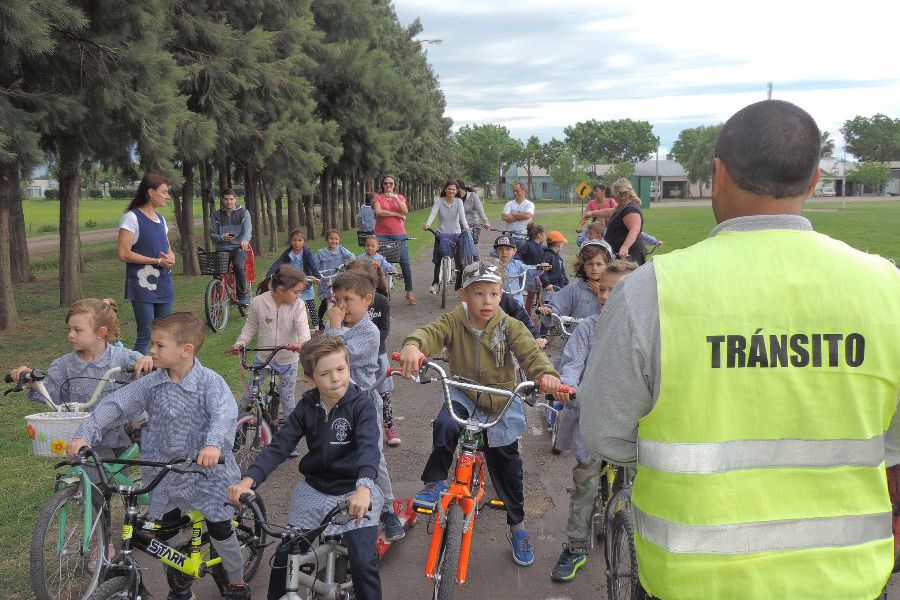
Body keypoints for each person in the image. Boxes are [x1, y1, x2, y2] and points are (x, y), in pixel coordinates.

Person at [579, 99, 900, 600]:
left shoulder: (651, 291)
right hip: (844, 580)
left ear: (718, 173)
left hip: (693, 580)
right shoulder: (887, 287)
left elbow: (603, 433)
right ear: (815, 180)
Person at [68, 312, 250, 600]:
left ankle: (237, 581)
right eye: (152, 344)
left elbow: (224, 415)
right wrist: (86, 432)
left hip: (208, 472)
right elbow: (117, 403)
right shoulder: (152, 383)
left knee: (219, 525)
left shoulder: (210, 383)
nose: (151, 351)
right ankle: (181, 580)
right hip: (164, 474)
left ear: (186, 350)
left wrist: (213, 445)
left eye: (159, 345)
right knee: (162, 533)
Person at [399, 261, 561, 567]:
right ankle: (435, 482)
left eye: (493, 293)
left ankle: (517, 526)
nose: (486, 301)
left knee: (507, 464)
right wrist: (413, 346)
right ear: (463, 294)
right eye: (478, 294)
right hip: (462, 390)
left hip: (500, 398)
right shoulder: (454, 320)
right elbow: (430, 333)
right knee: (445, 424)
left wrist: (546, 375)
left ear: (501, 294)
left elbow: (530, 353)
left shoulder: (509, 326)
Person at [228, 335, 383, 600]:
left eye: (341, 369)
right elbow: (279, 446)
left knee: (363, 560)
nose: (336, 378)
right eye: (325, 373)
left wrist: (364, 488)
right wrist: (248, 480)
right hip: (315, 490)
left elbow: (370, 449)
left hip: (355, 489)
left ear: (348, 366)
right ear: (311, 379)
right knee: (285, 555)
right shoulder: (307, 406)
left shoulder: (362, 405)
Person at [548, 260, 636, 582]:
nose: (606, 296)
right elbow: (572, 362)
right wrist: (567, 386)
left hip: (631, 423)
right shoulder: (588, 328)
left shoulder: (643, 332)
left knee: (643, 483)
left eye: (616, 289)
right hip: (594, 419)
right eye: (603, 288)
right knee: (585, 483)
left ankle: (643, 543)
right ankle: (575, 545)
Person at [9, 298, 154, 452]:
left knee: (113, 473)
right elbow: (53, 396)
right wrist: (32, 381)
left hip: (121, 436)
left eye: (78, 330)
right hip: (82, 437)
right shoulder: (64, 365)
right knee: (86, 474)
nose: (71, 335)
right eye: (69, 329)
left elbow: (151, 384)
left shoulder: (126, 359)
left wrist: (148, 362)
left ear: (101, 332)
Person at [324, 272, 405, 541]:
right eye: (338, 300)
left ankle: (388, 510)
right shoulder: (338, 326)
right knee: (336, 454)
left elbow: (338, 353)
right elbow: (322, 352)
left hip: (363, 405)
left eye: (348, 299)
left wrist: (334, 328)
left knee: (373, 459)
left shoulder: (368, 331)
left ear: (368, 300)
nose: (342, 305)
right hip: (335, 404)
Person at [231, 265, 311, 456]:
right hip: (263, 358)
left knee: (287, 400)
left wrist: (303, 342)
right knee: (248, 397)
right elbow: (250, 325)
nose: (299, 295)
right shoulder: (259, 302)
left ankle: (289, 441)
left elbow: (303, 328)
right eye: (296, 291)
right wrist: (240, 343)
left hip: (288, 359)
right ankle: (230, 434)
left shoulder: (297, 305)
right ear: (281, 290)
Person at [117, 173, 176, 355]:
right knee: (146, 334)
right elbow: (123, 253)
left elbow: (167, 248)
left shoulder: (161, 220)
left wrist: (170, 257)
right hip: (142, 285)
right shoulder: (132, 218)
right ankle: (137, 379)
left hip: (164, 283)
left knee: (163, 334)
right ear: (151, 192)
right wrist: (156, 261)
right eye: (164, 192)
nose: (167, 196)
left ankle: (159, 375)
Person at [346, 260, 401, 446]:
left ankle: (389, 426)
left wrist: (372, 344)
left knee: (382, 393)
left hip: (378, 355)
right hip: (355, 358)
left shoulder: (382, 302)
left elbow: (385, 329)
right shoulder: (347, 303)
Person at [538, 239, 613, 321]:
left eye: (599, 264)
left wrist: (600, 292)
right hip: (575, 332)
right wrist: (549, 311)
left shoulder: (614, 289)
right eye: (590, 264)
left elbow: (618, 311)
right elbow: (558, 307)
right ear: (583, 266)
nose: (594, 268)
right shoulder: (573, 289)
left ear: (607, 266)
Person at [373, 174, 416, 306]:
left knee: (404, 262)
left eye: (391, 183)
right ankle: (378, 293)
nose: (388, 186)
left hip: (399, 234)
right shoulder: (378, 197)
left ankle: (409, 291)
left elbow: (405, 211)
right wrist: (396, 214)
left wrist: (396, 198)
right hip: (381, 235)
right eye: (386, 183)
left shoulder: (400, 197)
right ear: (382, 185)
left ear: (394, 185)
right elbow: (378, 212)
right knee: (377, 265)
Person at [266, 229, 322, 329]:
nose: (297, 243)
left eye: (299, 240)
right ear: (290, 241)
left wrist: (317, 277)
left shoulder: (306, 252)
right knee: (291, 305)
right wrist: (270, 273)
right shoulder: (288, 253)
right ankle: (291, 326)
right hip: (292, 283)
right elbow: (278, 263)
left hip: (305, 282)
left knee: (311, 305)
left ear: (303, 241)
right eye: (294, 240)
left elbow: (313, 266)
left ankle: (317, 328)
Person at [424, 179, 472, 293]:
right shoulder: (439, 201)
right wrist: (427, 224)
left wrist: (466, 227)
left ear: (456, 191)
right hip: (441, 234)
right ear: (445, 189)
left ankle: (459, 285)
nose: (451, 191)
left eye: (453, 189)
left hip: (456, 234)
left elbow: (462, 217)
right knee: (437, 260)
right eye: (449, 188)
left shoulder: (459, 202)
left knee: (459, 262)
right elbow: (433, 213)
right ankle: (435, 283)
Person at [586, 178, 646, 264]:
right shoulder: (622, 206)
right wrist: (591, 213)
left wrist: (625, 247)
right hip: (619, 254)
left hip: (629, 255)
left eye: (613, 192)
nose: (612, 195)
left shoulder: (631, 209)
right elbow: (610, 212)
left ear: (618, 193)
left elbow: (634, 229)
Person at [209, 188, 253, 308]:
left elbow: (247, 231)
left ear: (235, 200)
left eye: (231, 199)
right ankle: (216, 301)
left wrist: (245, 240)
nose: (229, 202)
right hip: (222, 249)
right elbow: (212, 234)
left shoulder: (244, 213)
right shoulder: (216, 215)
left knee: (239, 266)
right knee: (217, 272)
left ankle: (242, 296)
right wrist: (222, 237)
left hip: (238, 248)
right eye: (226, 199)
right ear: (222, 200)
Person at [315, 229, 356, 329]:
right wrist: (315, 274)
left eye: (336, 239)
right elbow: (313, 264)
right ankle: (319, 319)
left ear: (339, 240)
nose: (334, 241)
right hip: (325, 280)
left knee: (341, 298)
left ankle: (344, 317)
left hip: (339, 280)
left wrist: (347, 263)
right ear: (327, 239)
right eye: (331, 239)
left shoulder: (341, 249)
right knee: (326, 300)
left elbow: (352, 257)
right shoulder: (321, 253)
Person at [515, 223, 549, 317]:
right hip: (531, 278)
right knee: (529, 301)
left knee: (526, 300)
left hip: (526, 277)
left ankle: (526, 316)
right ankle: (527, 317)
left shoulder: (529, 245)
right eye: (544, 235)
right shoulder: (534, 247)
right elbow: (517, 255)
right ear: (539, 235)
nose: (545, 237)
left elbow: (518, 255)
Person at [494, 235, 529, 305]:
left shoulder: (517, 264)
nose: (504, 252)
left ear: (514, 251)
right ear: (496, 251)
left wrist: (539, 267)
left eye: (507, 249)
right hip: (499, 297)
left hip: (516, 297)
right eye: (500, 249)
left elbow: (529, 269)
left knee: (521, 311)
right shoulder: (493, 264)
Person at [500, 181, 535, 246]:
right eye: (513, 191)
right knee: (494, 253)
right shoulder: (509, 204)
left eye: (517, 191)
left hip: (523, 237)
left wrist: (512, 214)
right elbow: (504, 217)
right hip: (510, 237)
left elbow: (527, 216)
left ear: (523, 191)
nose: (515, 193)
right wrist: (521, 216)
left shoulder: (529, 204)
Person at [457, 179, 490, 245]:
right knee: (460, 248)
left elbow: (480, 210)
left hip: (473, 226)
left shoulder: (472, 196)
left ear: (460, 188)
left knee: (473, 248)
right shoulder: (456, 198)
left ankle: (475, 255)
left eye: (455, 189)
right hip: (459, 226)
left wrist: (486, 221)